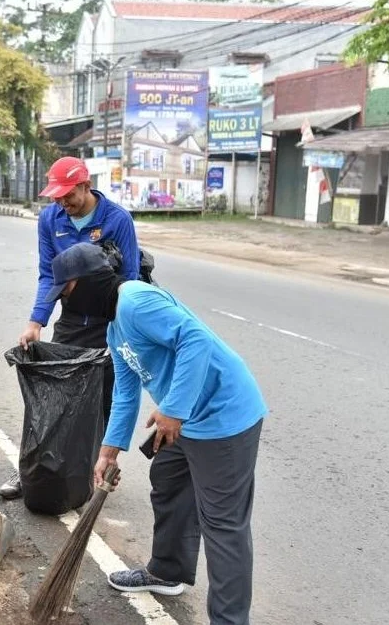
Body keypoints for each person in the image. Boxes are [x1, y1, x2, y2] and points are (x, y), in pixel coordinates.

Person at [44, 243, 267, 625]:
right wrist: (108, 451)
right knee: (168, 480)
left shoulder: (136, 300)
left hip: (222, 416)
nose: (65, 304)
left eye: (65, 293)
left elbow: (194, 339)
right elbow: (126, 393)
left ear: (86, 284)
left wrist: (173, 410)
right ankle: (168, 570)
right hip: (186, 420)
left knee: (223, 525)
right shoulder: (114, 330)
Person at [0, 156, 140, 501]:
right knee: (55, 398)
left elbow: (131, 277)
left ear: (85, 186)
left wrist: (124, 332)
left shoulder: (117, 219)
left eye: (68, 195)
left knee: (103, 400)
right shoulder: (50, 219)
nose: (63, 202)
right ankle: (31, 472)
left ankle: (87, 470)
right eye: (57, 197)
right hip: (72, 319)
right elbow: (49, 273)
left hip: (111, 320)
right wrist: (36, 322)